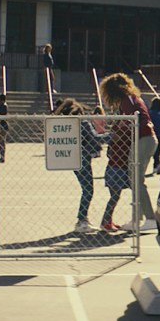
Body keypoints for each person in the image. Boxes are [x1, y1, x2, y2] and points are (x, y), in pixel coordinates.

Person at [98, 73, 158, 232]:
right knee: (135, 180)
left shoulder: (128, 101)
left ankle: (150, 218)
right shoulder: (132, 99)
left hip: (143, 139)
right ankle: (137, 219)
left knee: (136, 180)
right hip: (145, 139)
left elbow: (132, 122)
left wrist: (117, 131)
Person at [54, 99, 108, 234]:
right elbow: (95, 137)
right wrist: (112, 136)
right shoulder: (83, 123)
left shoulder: (67, 124)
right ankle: (81, 220)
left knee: (86, 188)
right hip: (83, 158)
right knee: (88, 189)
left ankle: (82, 219)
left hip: (74, 158)